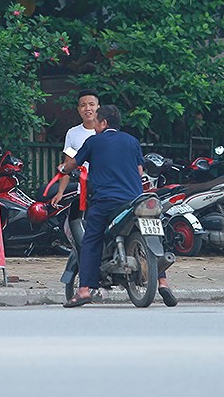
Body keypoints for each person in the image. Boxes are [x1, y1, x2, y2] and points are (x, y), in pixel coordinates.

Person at [51, 105, 177, 308]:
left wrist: (63, 168)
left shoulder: (93, 141)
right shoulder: (132, 141)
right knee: (152, 233)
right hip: (135, 200)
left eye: (97, 124)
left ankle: (84, 290)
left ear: (104, 122)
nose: (95, 129)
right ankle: (162, 282)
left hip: (106, 201)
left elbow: (74, 163)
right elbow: (138, 171)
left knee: (91, 239)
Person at [63, 89, 100, 164]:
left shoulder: (105, 132)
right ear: (79, 109)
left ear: (98, 107)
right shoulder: (72, 133)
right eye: (83, 105)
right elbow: (68, 161)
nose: (87, 109)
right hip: (80, 175)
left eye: (91, 104)